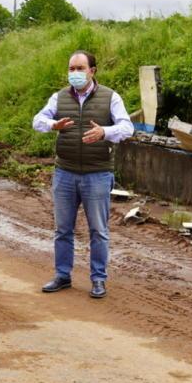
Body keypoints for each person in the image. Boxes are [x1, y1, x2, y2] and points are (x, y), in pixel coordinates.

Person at [32, 50, 134, 299]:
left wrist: (105, 132)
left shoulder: (110, 97)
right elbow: (37, 120)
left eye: (80, 68)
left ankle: (98, 279)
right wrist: (52, 125)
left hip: (97, 174)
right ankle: (62, 276)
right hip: (65, 172)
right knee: (62, 229)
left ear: (92, 71)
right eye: (71, 69)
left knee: (98, 230)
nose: (75, 74)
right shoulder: (59, 97)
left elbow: (127, 127)